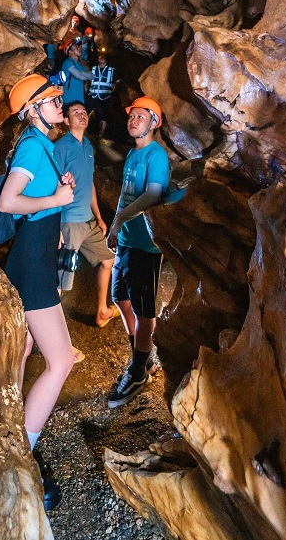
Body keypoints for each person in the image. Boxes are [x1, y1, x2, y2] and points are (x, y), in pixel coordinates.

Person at [0, 73, 76, 511]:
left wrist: (56, 191)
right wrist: (55, 201)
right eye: (51, 100)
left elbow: (42, 196)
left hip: (37, 256)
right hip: (31, 264)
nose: (59, 104)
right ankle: (23, 456)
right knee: (61, 359)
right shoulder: (31, 143)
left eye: (58, 98)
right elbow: (8, 202)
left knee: (25, 349)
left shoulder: (41, 144)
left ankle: (10, 433)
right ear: (33, 110)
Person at [106, 96, 169, 408]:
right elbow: (124, 195)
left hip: (146, 244)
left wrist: (118, 221)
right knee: (120, 298)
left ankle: (138, 370)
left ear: (154, 122)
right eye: (131, 116)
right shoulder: (133, 154)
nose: (133, 120)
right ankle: (142, 355)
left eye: (141, 116)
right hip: (127, 240)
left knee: (145, 312)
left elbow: (153, 194)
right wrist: (114, 229)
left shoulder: (156, 156)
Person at [54, 101, 117, 328]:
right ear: (66, 120)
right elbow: (52, 185)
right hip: (69, 222)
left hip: (88, 221)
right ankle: (48, 337)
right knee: (61, 283)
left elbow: (88, 183)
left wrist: (99, 217)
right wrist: (55, 225)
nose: (81, 115)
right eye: (75, 113)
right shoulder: (60, 148)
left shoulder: (88, 146)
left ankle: (102, 311)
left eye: (83, 112)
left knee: (108, 259)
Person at [89, 49, 119, 138]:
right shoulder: (94, 69)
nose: (101, 57)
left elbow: (118, 81)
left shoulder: (111, 70)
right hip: (93, 95)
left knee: (103, 116)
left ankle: (101, 135)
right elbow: (88, 80)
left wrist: (114, 89)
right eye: (100, 56)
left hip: (105, 97)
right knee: (86, 111)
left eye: (103, 56)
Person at [61, 35, 92, 106]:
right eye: (75, 46)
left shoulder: (80, 65)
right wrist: (82, 74)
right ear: (69, 51)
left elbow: (92, 76)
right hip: (69, 100)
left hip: (80, 100)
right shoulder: (67, 62)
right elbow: (81, 77)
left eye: (78, 46)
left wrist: (80, 74)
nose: (79, 48)